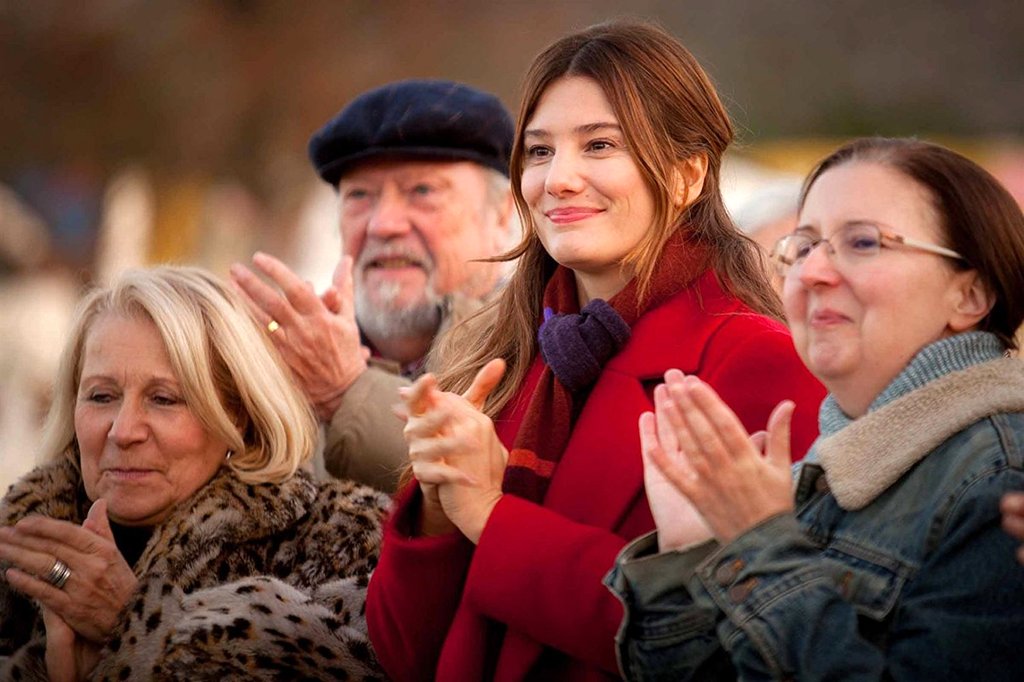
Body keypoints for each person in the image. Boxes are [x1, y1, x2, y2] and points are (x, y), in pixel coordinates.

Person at [365, 20, 826, 681]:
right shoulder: (503, 354)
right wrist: (439, 505)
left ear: (687, 174)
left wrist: (491, 517)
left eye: (600, 145)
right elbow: (404, 654)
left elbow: (714, 639)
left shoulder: (758, 360)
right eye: (540, 151)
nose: (559, 179)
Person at [608, 137, 1024, 681]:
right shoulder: (827, 463)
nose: (811, 273)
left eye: (864, 243)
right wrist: (689, 551)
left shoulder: (998, 482)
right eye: (802, 247)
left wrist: (758, 539)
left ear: (969, 295)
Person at [0, 266, 390, 681]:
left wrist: (136, 623)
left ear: (237, 416)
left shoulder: (341, 540)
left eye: (164, 399)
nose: (123, 430)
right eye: (101, 396)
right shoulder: (16, 549)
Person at [231, 79, 517, 491]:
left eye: (422, 190)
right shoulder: (275, 369)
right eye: (359, 195)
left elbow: (494, 504)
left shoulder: (551, 352)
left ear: (502, 215)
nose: (383, 224)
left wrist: (346, 392)